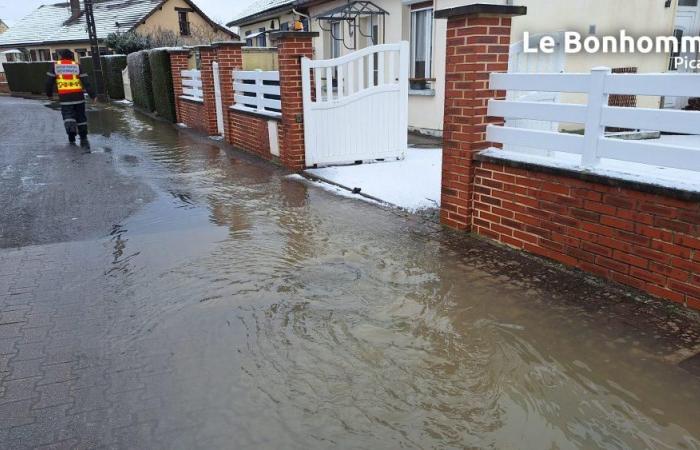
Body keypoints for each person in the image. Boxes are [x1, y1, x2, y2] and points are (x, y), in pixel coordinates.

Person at [45, 49, 95, 150]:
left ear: (61, 56)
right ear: (72, 56)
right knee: (81, 117)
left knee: (68, 116)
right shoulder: (77, 65)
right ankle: (83, 137)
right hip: (78, 96)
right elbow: (86, 82)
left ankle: (71, 134)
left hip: (65, 97)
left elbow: (49, 82)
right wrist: (93, 95)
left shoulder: (55, 66)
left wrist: (49, 94)